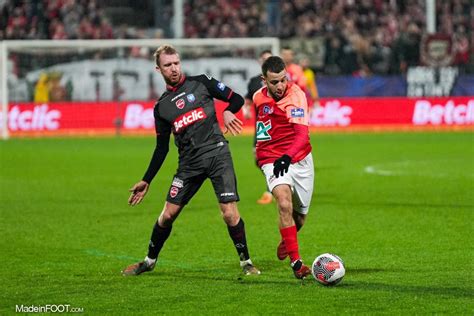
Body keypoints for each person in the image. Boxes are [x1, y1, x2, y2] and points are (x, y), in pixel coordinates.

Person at [122, 44, 260, 276]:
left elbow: (235, 98)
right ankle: (149, 261)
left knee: (229, 213)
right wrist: (147, 180)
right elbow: (161, 148)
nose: (174, 68)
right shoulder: (161, 108)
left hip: (217, 154)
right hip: (188, 165)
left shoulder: (202, 82)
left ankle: (246, 263)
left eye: (176, 63)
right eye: (168, 65)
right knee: (167, 216)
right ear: (159, 69)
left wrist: (228, 111)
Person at [252, 56, 314, 279]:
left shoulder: (296, 97)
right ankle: (297, 264)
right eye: (274, 82)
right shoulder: (258, 98)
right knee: (284, 204)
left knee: (300, 219)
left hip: (300, 159)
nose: (280, 86)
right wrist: (260, 153)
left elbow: (301, 136)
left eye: (282, 80)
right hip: (271, 158)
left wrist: (287, 157)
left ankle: (287, 239)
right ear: (264, 80)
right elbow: (262, 127)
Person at [243, 49, 274, 205]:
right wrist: (246, 109)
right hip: (261, 126)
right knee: (258, 158)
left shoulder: (278, 80)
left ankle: (271, 190)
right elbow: (248, 98)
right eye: (264, 59)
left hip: (276, 125)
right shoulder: (254, 81)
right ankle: (278, 182)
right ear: (260, 62)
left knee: (270, 157)